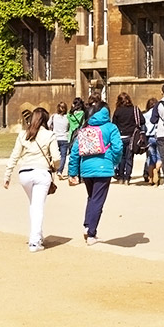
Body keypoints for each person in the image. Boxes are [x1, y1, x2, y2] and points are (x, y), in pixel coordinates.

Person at [65, 98, 122, 245]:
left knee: (91, 198)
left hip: (86, 169)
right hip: (103, 168)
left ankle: (87, 225)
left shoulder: (84, 129)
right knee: (98, 200)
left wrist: (73, 172)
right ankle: (91, 233)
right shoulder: (110, 128)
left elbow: (75, 153)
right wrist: (113, 162)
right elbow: (118, 147)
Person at [1, 105, 58, 252]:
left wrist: (7, 175)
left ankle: (37, 235)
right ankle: (34, 242)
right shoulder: (49, 135)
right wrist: (54, 166)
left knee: (34, 205)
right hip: (41, 173)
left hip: (24, 174)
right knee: (37, 206)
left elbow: (15, 155)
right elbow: (57, 158)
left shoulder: (23, 134)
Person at [110, 93, 138, 182]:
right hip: (131, 136)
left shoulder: (117, 111)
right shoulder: (133, 110)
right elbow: (142, 120)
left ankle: (121, 177)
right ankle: (127, 178)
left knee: (121, 158)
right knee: (129, 158)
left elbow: (114, 124)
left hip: (120, 136)